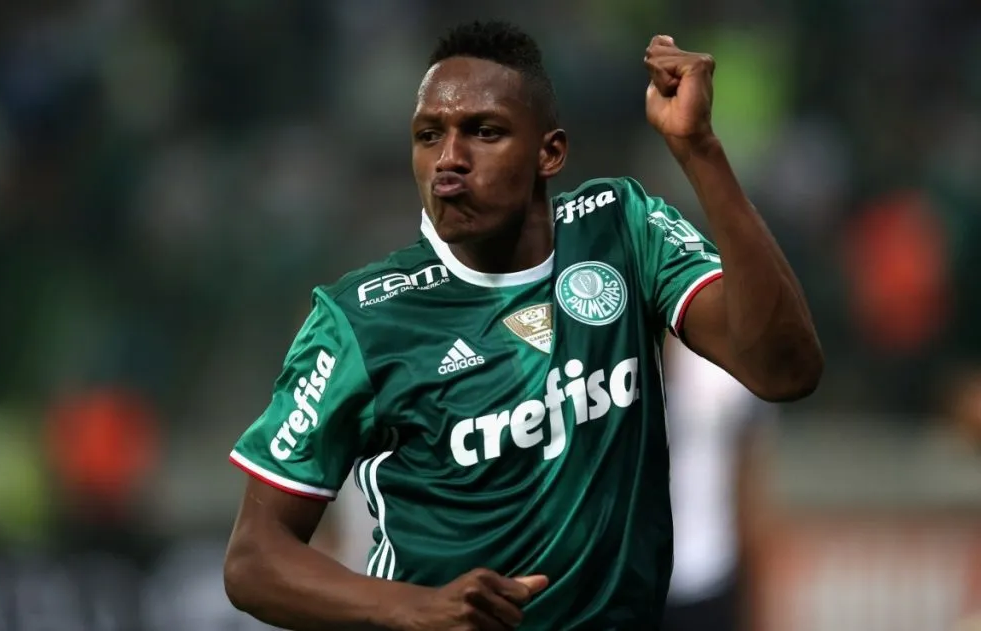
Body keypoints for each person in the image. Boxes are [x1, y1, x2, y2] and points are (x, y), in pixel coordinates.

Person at [222, 20, 822, 631]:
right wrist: (419, 609)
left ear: (549, 153)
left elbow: (785, 369)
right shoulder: (361, 319)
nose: (449, 160)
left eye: (483, 132)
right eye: (429, 136)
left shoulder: (621, 231)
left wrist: (700, 149)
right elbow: (253, 558)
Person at [661, 336, 775, 631]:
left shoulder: (725, 374)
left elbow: (750, 493)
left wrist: (755, 604)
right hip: (624, 583)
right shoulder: (604, 370)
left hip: (708, 574)